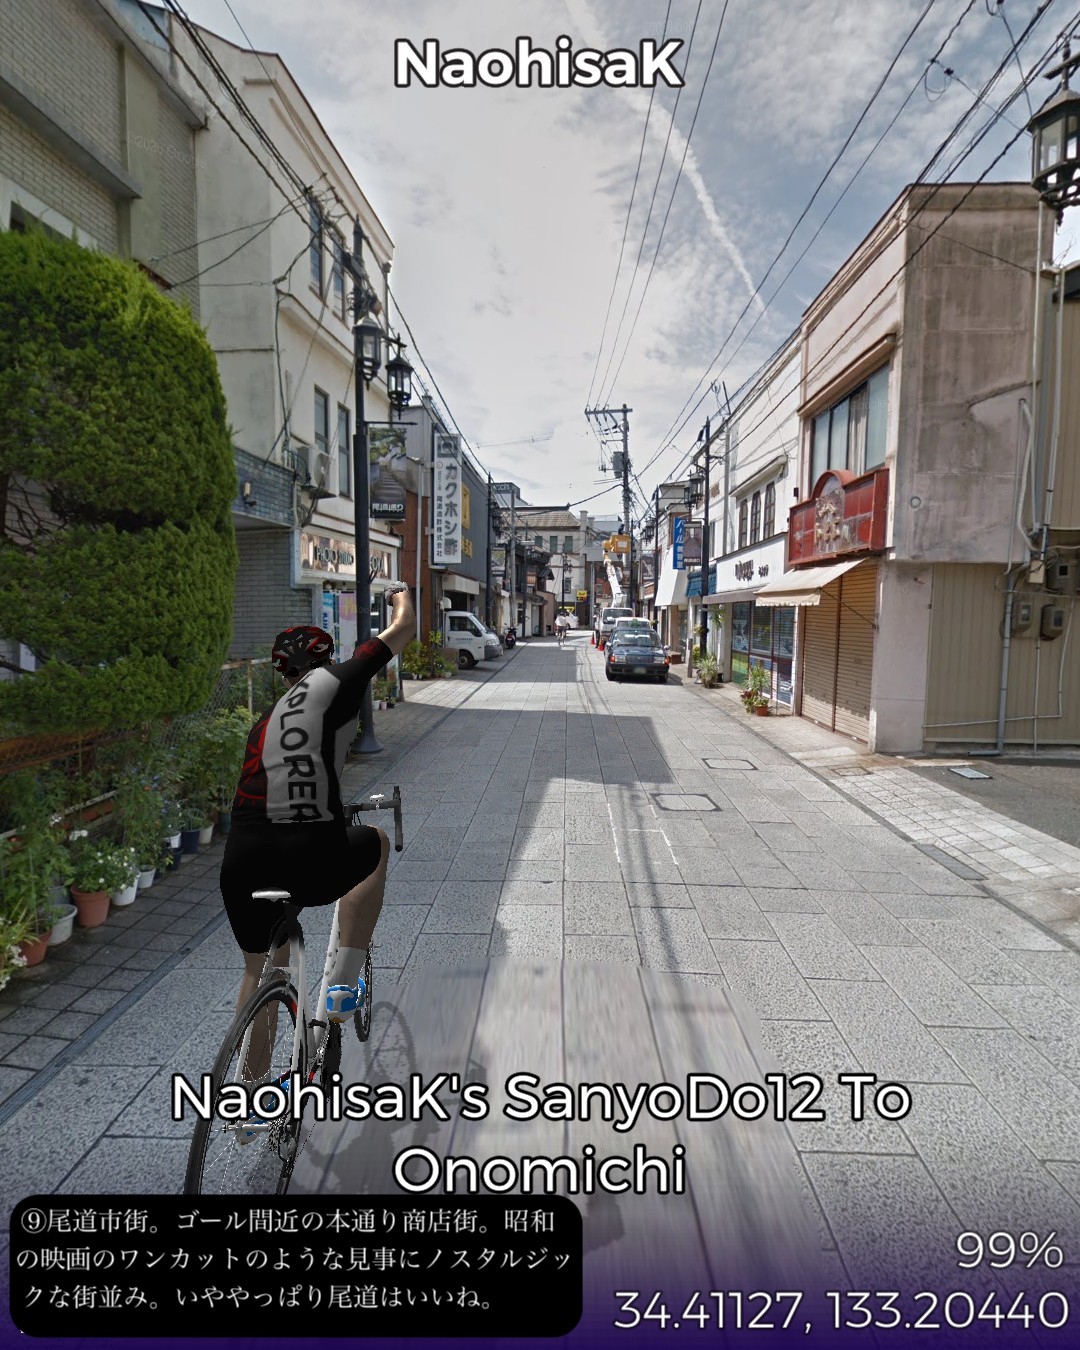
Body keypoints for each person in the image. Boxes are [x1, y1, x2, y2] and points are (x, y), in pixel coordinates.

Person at [219, 583, 415, 1083]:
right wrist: (399, 594)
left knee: (263, 966)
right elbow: (403, 629)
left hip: (241, 857)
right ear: (325, 658)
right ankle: (342, 988)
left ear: (281, 671)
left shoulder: (263, 723)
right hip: (307, 852)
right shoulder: (338, 679)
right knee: (375, 844)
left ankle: (249, 1097)